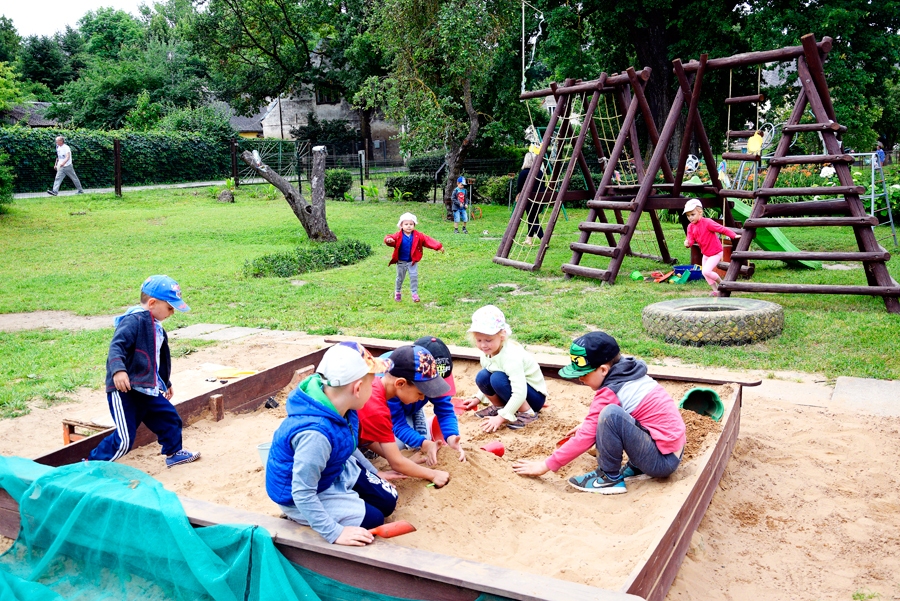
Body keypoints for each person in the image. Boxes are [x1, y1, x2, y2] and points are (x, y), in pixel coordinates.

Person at [512, 331, 686, 495]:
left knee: (609, 414)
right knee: (610, 416)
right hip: (671, 451)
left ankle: (608, 478)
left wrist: (545, 465)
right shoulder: (630, 373)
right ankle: (638, 466)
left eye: (584, 373)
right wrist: (588, 424)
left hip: (661, 462)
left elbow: (586, 438)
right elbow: (635, 412)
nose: (580, 378)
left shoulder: (610, 391)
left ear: (603, 369)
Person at [265, 342, 399, 546]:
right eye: (372, 384)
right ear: (358, 388)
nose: (375, 389)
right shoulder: (315, 435)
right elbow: (302, 492)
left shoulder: (343, 407)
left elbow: (348, 445)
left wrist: (374, 472)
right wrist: (335, 532)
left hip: (332, 470)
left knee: (388, 500)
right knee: (374, 519)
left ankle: (345, 496)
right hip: (302, 495)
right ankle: (297, 516)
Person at [88, 275, 200, 467]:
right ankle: (92, 464)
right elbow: (116, 347)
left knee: (168, 417)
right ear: (152, 303)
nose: (172, 313)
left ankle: (174, 452)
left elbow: (158, 359)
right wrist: (118, 371)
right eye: (170, 307)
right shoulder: (134, 321)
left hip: (148, 388)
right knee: (124, 440)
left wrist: (165, 381)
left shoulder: (156, 327)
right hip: (126, 390)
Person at [357, 344, 452, 487]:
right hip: (338, 453)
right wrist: (433, 474)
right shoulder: (377, 408)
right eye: (420, 394)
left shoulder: (376, 387)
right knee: (386, 500)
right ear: (400, 383)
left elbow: (367, 438)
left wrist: (402, 459)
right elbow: (396, 464)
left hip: (352, 443)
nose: (422, 399)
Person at [462, 305, 547, 432]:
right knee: (483, 376)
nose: (483, 345)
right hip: (514, 392)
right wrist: (478, 398)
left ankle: (528, 414)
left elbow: (520, 391)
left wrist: (501, 418)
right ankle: (499, 407)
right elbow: (487, 375)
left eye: (488, 340)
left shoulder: (510, 356)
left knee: (497, 378)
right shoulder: (487, 352)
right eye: (479, 340)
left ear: (502, 335)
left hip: (533, 398)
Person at [384, 337, 466, 464]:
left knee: (420, 442)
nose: (429, 394)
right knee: (399, 446)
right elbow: (397, 424)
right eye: (427, 388)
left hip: (411, 402)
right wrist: (424, 444)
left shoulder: (425, 378)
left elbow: (445, 410)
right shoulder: (391, 382)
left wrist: (451, 437)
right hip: (390, 411)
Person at [384, 212, 444, 303]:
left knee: (414, 277)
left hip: (412, 261)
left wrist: (438, 246)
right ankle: (398, 292)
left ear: (414, 225)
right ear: (401, 225)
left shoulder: (418, 236)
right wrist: (388, 240)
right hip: (401, 262)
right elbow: (390, 239)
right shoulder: (398, 235)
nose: (409, 226)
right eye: (406, 224)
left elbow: (428, 240)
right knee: (400, 278)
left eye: (411, 224)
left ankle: (414, 293)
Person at [683, 198, 737, 297]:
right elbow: (690, 239)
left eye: (692, 214)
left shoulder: (707, 222)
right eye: (688, 215)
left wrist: (733, 235)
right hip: (706, 253)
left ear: (700, 212)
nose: (690, 217)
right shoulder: (690, 227)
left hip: (716, 251)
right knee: (705, 273)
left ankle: (723, 285)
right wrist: (687, 243)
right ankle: (716, 291)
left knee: (706, 271)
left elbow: (721, 229)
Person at [515, 152, 545, 245]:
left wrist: (518, 195)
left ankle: (543, 239)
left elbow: (519, 186)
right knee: (532, 217)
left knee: (532, 219)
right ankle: (529, 239)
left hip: (529, 199)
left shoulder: (524, 173)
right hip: (540, 198)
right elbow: (542, 185)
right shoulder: (539, 172)